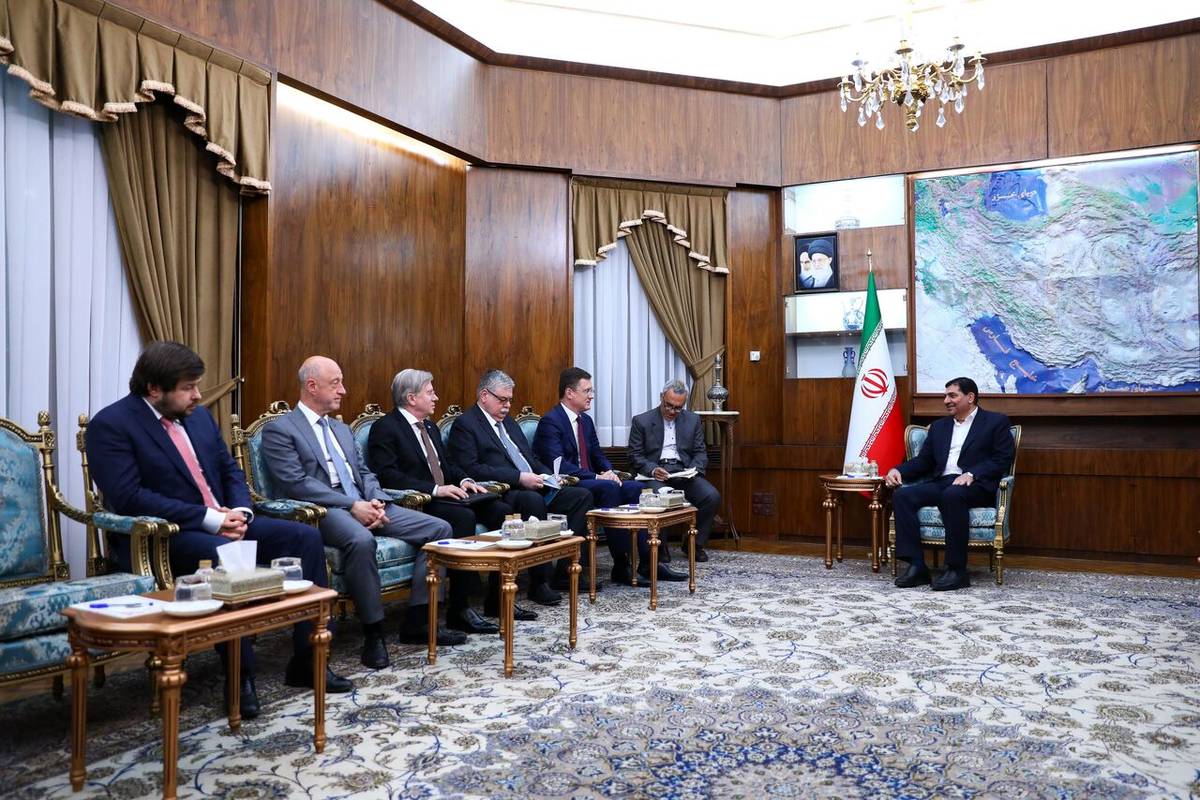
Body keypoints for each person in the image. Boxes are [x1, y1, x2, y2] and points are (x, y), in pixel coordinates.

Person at [85, 341, 353, 718]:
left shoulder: (196, 416)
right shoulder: (111, 425)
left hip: (226, 520)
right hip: (167, 536)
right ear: (154, 389)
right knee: (223, 555)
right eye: (188, 388)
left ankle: (308, 661)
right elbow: (129, 497)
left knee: (304, 537)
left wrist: (240, 511)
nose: (198, 395)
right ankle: (240, 677)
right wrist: (211, 519)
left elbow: (229, 470)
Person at [261, 356, 464, 671]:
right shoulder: (280, 429)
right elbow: (296, 483)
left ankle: (419, 620)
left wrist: (375, 499)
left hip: (365, 502)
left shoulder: (341, 429)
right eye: (335, 383)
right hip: (324, 510)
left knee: (439, 530)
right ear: (311, 386)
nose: (343, 390)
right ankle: (374, 633)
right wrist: (351, 505)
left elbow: (365, 472)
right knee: (360, 540)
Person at [367, 369, 538, 628]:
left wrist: (465, 480)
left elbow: (448, 465)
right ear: (411, 398)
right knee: (463, 517)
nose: (436, 397)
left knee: (501, 511)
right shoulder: (386, 428)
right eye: (430, 392)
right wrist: (436, 489)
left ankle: (498, 597)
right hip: (420, 502)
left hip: (450, 495)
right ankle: (460, 608)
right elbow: (388, 476)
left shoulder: (430, 427)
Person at [447, 369, 597, 602]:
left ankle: (565, 571)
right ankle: (540, 582)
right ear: (484, 395)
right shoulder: (466, 424)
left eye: (509, 400)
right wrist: (519, 477)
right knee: (532, 500)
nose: (507, 406)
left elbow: (530, 458)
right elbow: (472, 468)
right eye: (502, 400)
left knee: (581, 496)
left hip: (535, 484)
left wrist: (549, 475)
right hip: (505, 491)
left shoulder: (508, 422)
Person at [533, 367, 686, 586]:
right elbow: (559, 465)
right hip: (566, 484)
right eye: (587, 391)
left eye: (592, 391)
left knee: (634, 488)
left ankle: (648, 562)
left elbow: (597, 454)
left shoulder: (585, 421)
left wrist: (609, 471)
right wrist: (598, 477)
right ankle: (621, 564)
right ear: (569, 393)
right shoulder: (551, 421)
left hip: (591, 481)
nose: (591, 396)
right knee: (609, 488)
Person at [885, 376, 1014, 591]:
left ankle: (956, 570)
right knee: (903, 495)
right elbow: (924, 461)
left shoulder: (995, 422)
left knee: (952, 495)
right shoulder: (939, 427)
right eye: (945, 396)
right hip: (943, 482)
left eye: (952, 395)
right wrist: (898, 470)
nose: (946, 400)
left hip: (977, 485)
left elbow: (1002, 458)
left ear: (970, 397)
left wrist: (972, 474)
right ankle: (917, 566)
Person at [628, 379, 721, 563]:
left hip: (683, 472)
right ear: (661, 397)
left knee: (712, 496)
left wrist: (694, 470)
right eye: (668, 406)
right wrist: (653, 469)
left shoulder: (692, 420)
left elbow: (700, 452)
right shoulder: (641, 421)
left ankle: (694, 544)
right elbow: (634, 455)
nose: (672, 411)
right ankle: (661, 546)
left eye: (678, 408)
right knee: (660, 495)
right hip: (655, 472)